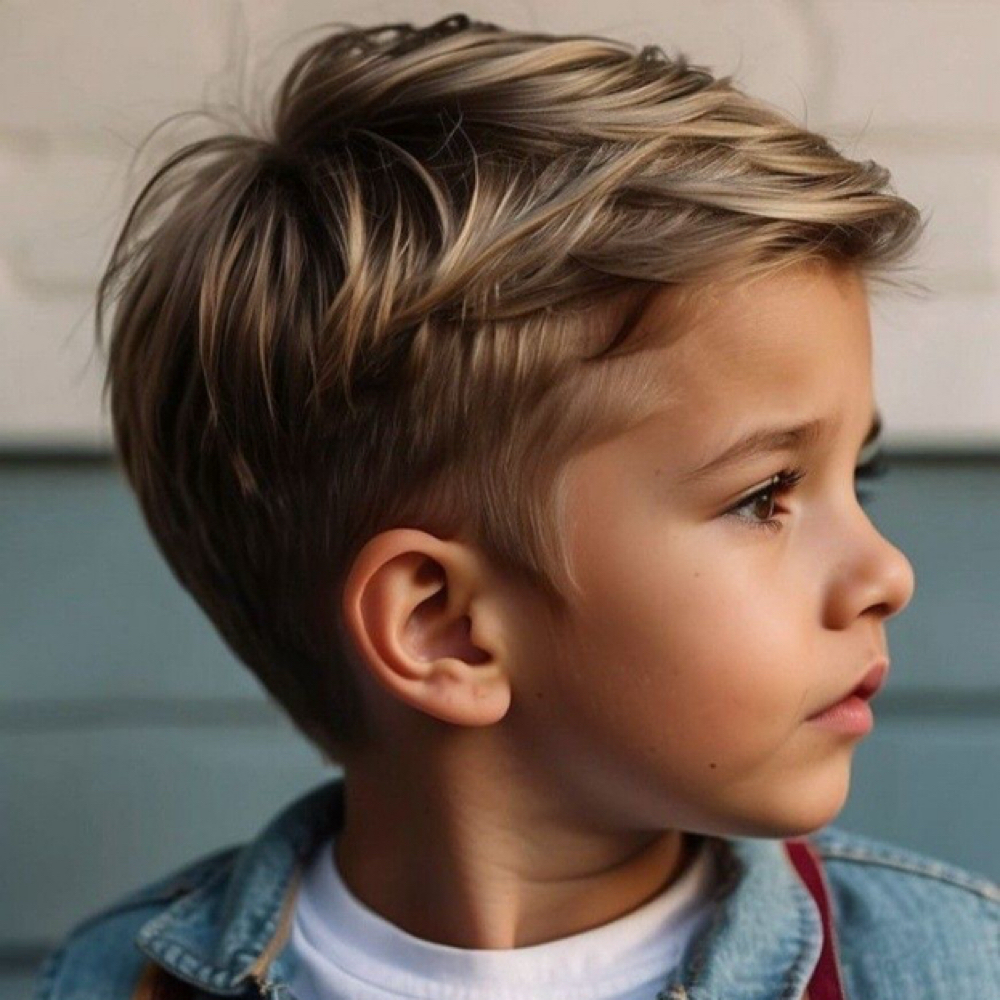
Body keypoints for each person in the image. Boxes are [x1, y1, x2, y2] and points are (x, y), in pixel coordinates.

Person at [33, 14, 998, 1000]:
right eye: (764, 497)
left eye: (858, 475)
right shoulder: (113, 984)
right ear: (444, 625)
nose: (888, 573)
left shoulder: (950, 969)